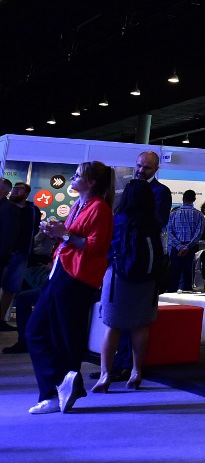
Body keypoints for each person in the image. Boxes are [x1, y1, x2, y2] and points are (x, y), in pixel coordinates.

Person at [26, 161, 115, 414]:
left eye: (78, 175)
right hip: (63, 270)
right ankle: (63, 383)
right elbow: (72, 237)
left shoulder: (99, 208)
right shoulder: (80, 204)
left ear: (91, 182)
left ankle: (57, 388)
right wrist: (56, 232)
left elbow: (96, 247)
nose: (73, 178)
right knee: (42, 331)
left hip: (76, 276)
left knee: (59, 333)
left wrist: (64, 234)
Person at [94, 179, 162, 393]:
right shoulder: (153, 223)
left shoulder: (118, 220)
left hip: (118, 278)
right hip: (147, 280)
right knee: (140, 326)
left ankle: (105, 375)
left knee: (112, 326)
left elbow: (106, 248)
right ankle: (136, 371)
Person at [1, 181, 42, 328]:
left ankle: (1, 320)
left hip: (21, 254)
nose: (15, 190)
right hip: (3, 252)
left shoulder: (32, 210)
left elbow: (34, 229)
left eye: (20, 189)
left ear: (26, 193)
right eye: (14, 188)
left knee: (10, 288)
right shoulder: (5, 207)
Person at [165, 189, 205, 291]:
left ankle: (170, 297)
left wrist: (179, 246)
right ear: (194, 199)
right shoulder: (199, 215)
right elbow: (199, 233)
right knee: (189, 277)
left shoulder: (173, 214)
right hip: (191, 249)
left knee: (173, 277)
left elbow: (169, 232)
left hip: (176, 249)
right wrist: (187, 247)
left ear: (183, 198)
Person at [133, 151, 172, 229]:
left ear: (156, 169)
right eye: (139, 166)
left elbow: (159, 222)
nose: (141, 170)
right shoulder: (130, 187)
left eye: (147, 168)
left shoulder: (161, 191)